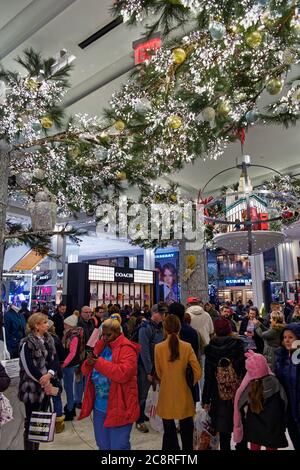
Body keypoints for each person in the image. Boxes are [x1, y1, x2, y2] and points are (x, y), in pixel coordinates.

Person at [78, 318, 140, 450]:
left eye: (109, 335)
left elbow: (122, 374)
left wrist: (97, 362)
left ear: (118, 332)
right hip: (99, 407)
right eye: (103, 334)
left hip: (121, 406)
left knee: (119, 447)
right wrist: (88, 363)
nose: (105, 338)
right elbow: (85, 371)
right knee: (103, 445)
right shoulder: (100, 346)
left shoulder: (127, 349)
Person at [155, 314, 201, 451]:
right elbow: (198, 371)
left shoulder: (158, 348)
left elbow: (159, 372)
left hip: (166, 394)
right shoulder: (187, 347)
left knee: (169, 434)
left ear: (165, 329)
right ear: (179, 328)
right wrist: (188, 381)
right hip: (185, 394)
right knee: (187, 434)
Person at [18, 313, 61, 450]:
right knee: (31, 423)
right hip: (32, 389)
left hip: (45, 388)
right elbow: (28, 367)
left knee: (39, 422)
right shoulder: (26, 343)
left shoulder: (49, 340)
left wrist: (50, 374)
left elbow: (55, 359)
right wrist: (45, 381)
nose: (47, 325)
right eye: (44, 323)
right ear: (36, 325)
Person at [202, 318, 246, 451]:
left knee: (223, 429)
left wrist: (205, 400)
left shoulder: (210, 349)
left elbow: (209, 377)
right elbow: (243, 369)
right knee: (240, 424)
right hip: (238, 393)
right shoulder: (238, 344)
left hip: (218, 394)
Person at [233, 350, 288, 450]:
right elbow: (284, 401)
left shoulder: (249, 386)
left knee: (255, 446)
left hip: (254, 426)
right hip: (273, 425)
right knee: (272, 447)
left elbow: (239, 404)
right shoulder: (275, 382)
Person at [136, 302, 167, 433]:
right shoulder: (145, 328)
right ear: (154, 313)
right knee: (142, 395)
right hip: (145, 367)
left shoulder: (161, 327)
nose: (163, 316)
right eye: (161, 313)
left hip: (158, 366)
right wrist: (149, 370)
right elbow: (144, 351)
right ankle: (139, 420)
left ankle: (143, 415)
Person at [275, 323, 300, 450]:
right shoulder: (280, 357)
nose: (287, 340)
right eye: (284, 337)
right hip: (288, 409)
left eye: (291, 337)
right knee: (295, 439)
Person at [61, 314, 85, 421]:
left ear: (69, 325)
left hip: (69, 365)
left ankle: (70, 409)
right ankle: (71, 408)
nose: (64, 326)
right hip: (71, 364)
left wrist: (64, 363)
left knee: (69, 388)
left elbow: (72, 353)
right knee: (69, 388)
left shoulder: (73, 336)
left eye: (65, 324)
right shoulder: (72, 334)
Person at [75, 306, 95, 408]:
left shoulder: (91, 323)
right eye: (86, 312)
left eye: (90, 312)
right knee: (79, 378)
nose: (88, 314)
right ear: (81, 313)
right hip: (80, 354)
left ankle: (86, 398)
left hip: (90, 352)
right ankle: (77, 400)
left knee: (88, 378)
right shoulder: (78, 324)